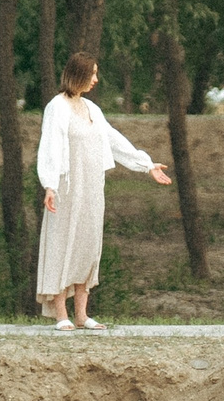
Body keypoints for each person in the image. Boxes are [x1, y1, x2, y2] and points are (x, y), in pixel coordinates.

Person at [36, 52, 170, 330]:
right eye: (92, 74)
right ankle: (62, 314)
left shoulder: (91, 109)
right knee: (63, 243)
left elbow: (113, 140)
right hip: (66, 188)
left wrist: (145, 164)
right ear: (78, 75)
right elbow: (50, 147)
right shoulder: (57, 107)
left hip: (91, 187)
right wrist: (50, 184)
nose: (96, 79)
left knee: (87, 245)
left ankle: (82, 314)